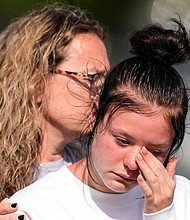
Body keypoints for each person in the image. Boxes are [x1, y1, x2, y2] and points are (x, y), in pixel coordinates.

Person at [8, 19, 190, 220]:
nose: (132, 163)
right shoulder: (33, 206)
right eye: (122, 141)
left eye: (155, 152)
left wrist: (162, 213)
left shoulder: (182, 197)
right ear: (95, 114)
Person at [0, 3, 110, 220]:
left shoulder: (96, 174)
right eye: (91, 78)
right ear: (36, 82)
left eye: (106, 82)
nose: (104, 95)